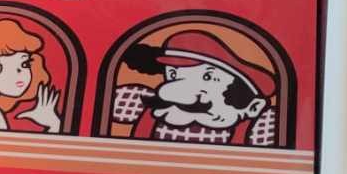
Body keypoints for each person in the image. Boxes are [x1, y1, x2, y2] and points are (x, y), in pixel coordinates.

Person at [108, 29, 278, 145]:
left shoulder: (259, 127)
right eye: (173, 74)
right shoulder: (140, 104)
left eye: (208, 77)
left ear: (254, 106)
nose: (179, 87)